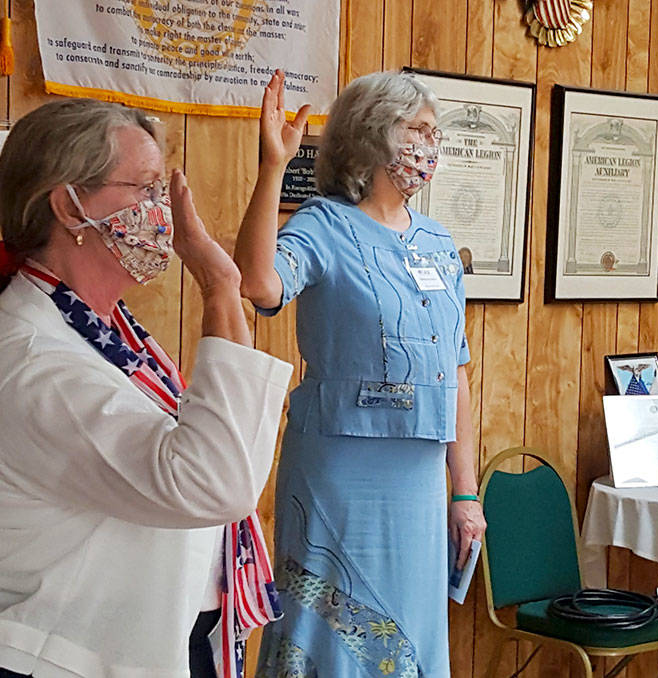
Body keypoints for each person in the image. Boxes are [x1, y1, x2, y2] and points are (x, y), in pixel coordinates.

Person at [0, 98, 294, 678]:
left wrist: (226, 288)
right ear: (68, 205)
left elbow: (219, 451)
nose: (163, 210)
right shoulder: (34, 363)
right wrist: (219, 284)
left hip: (113, 642)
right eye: (143, 188)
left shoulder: (98, 325)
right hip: (36, 659)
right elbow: (216, 482)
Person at [235, 70, 486, 676]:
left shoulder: (438, 242)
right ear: (373, 135)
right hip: (339, 470)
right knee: (328, 628)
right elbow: (259, 281)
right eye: (416, 129)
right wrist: (273, 169)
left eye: (434, 132)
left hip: (420, 479)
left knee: (408, 633)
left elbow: (456, 371)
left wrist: (466, 491)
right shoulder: (324, 223)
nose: (429, 144)